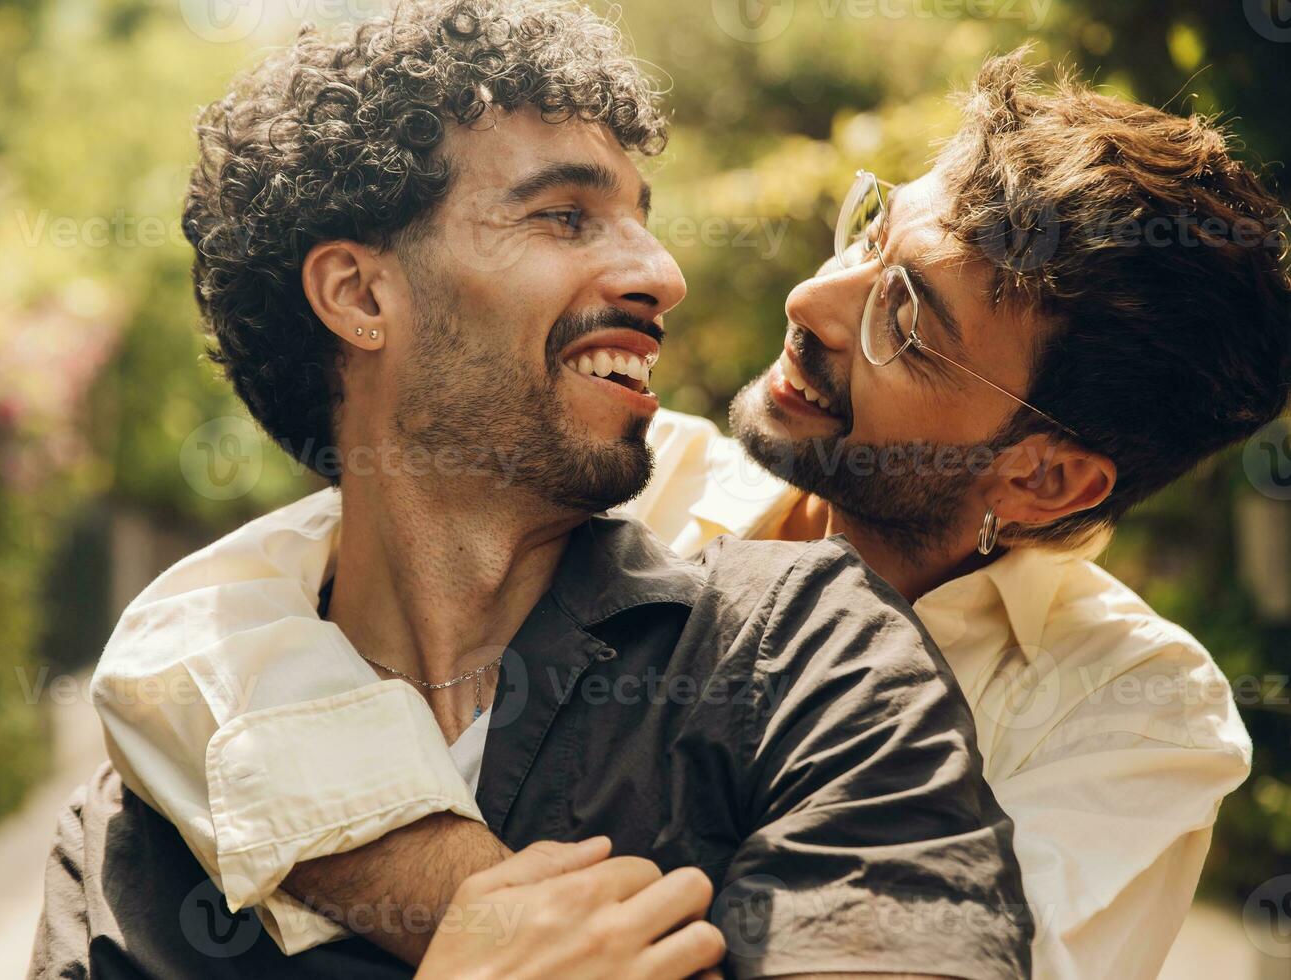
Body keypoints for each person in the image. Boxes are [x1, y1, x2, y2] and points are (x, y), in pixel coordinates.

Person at [85, 30, 1291, 978]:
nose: (816, 297)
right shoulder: (640, 469)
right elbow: (192, 635)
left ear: (1045, 474)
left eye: (907, 319)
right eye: (868, 228)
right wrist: (475, 908)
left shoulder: (1137, 711)